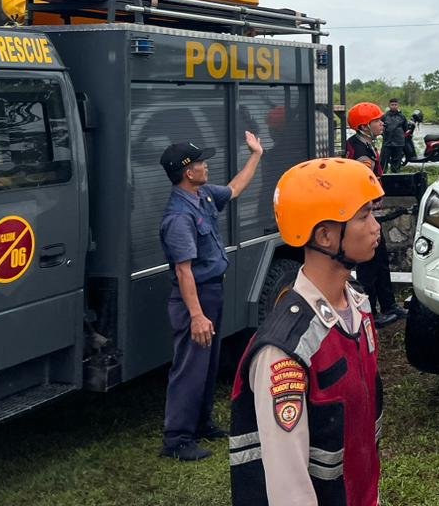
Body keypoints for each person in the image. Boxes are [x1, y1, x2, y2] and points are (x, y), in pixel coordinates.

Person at [230, 157, 386, 506]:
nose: (376, 227)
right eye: (363, 216)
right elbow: (289, 489)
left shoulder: (358, 304)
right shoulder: (284, 350)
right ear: (325, 235)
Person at [158, 133, 264, 461]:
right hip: (197, 297)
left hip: (212, 292)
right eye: (201, 162)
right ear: (188, 172)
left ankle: (202, 424)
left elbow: (235, 189)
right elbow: (184, 271)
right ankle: (176, 439)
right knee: (189, 368)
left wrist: (256, 155)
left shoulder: (202, 196)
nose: (206, 166)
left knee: (207, 364)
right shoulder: (179, 216)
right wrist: (196, 315)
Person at [343, 102, 406, 326]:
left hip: (369, 215)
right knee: (370, 265)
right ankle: (371, 313)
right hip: (364, 215)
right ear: (363, 127)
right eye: (377, 121)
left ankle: (389, 305)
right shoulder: (361, 154)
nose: (382, 123)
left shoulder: (365, 145)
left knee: (380, 261)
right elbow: (362, 187)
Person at [380, 98, 407, 173]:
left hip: (399, 143)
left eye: (395, 105)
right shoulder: (384, 116)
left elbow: (405, 128)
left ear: (398, 105)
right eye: (392, 105)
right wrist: (384, 134)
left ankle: (396, 176)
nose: (394, 106)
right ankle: (382, 176)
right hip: (387, 143)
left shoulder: (402, 117)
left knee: (396, 163)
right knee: (383, 161)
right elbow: (379, 127)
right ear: (389, 105)